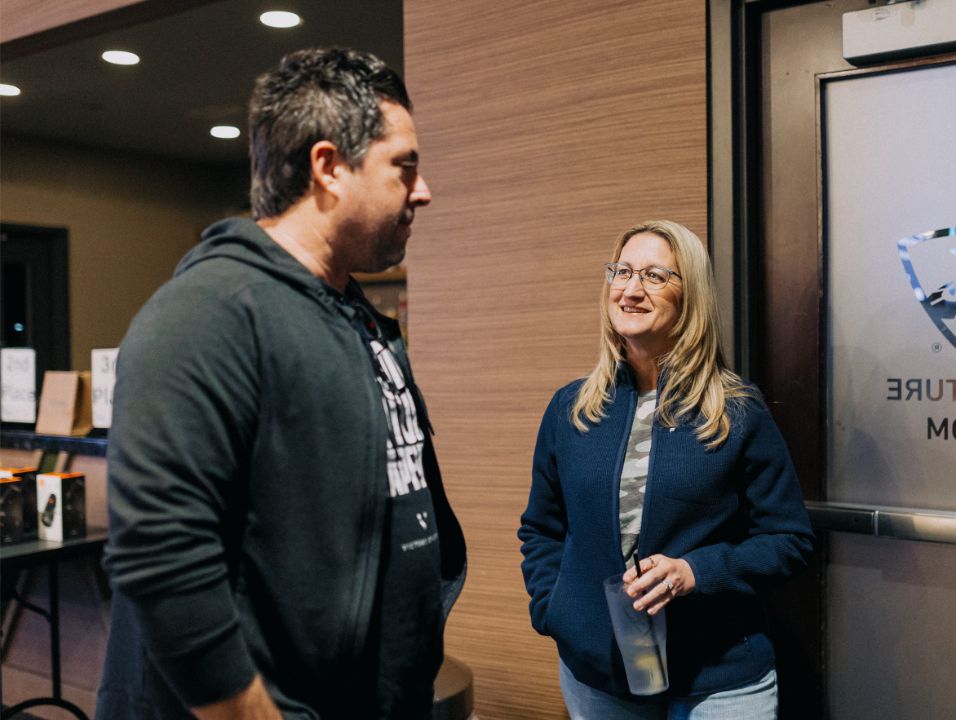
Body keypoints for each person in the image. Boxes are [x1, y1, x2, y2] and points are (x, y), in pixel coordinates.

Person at [96, 48, 466, 720]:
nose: (423, 191)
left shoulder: (352, 313)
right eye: (403, 167)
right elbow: (161, 560)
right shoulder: (207, 314)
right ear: (329, 167)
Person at [519, 220, 814, 719]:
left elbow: (789, 540)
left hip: (718, 677)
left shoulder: (737, 410)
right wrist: (557, 611)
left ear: (689, 295)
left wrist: (695, 572)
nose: (631, 290)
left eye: (655, 276)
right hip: (600, 679)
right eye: (622, 272)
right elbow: (541, 529)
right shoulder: (571, 408)